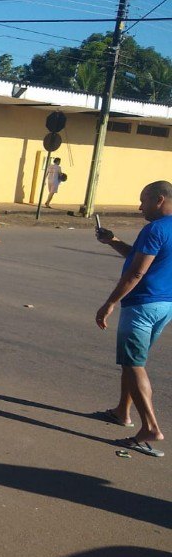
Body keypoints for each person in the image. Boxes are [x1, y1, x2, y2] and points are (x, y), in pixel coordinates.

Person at [94, 180, 172, 458]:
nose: (140, 207)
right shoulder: (165, 230)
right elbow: (141, 258)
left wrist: (109, 303)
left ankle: (151, 427)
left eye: (144, 200)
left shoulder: (155, 229)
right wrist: (112, 241)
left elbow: (136, 273)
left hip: (142, 305)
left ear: (159, 199)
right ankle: (121, 411)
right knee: (133, 362)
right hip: (165, 304)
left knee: (134, 364)